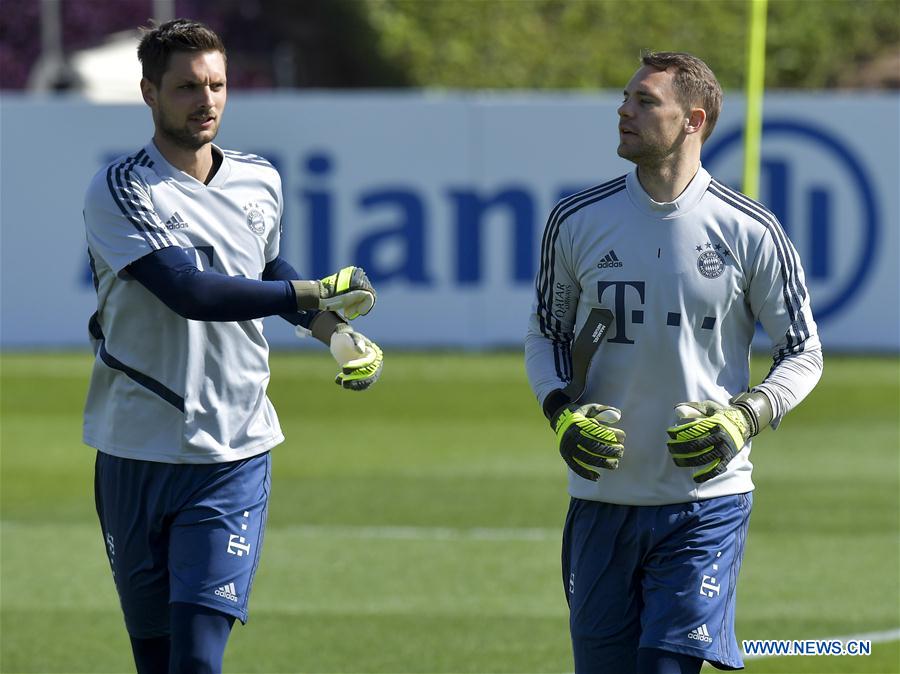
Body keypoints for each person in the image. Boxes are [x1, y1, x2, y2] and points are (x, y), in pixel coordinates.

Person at [82, 19, 383, 673]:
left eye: (216, 85)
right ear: (149, 93)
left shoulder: (259, 179)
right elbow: (190, 292)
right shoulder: (122, 188)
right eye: (188, 87)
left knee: (196, 661)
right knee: (156, 660)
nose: (207, 100)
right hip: (135, 448)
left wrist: (334, 334)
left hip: (234, 452)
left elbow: (267, 273)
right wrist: (313, 292)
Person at [525, 51, 823, 674]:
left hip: (705, 500)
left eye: (644, 101)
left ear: (693, 119)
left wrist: (745, 419)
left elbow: (803, 353)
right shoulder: (576, 221)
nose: (623, 110)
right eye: (626, 97)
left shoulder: (751, 230)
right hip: (601, 498)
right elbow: (547, 337)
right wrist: (560, 416)